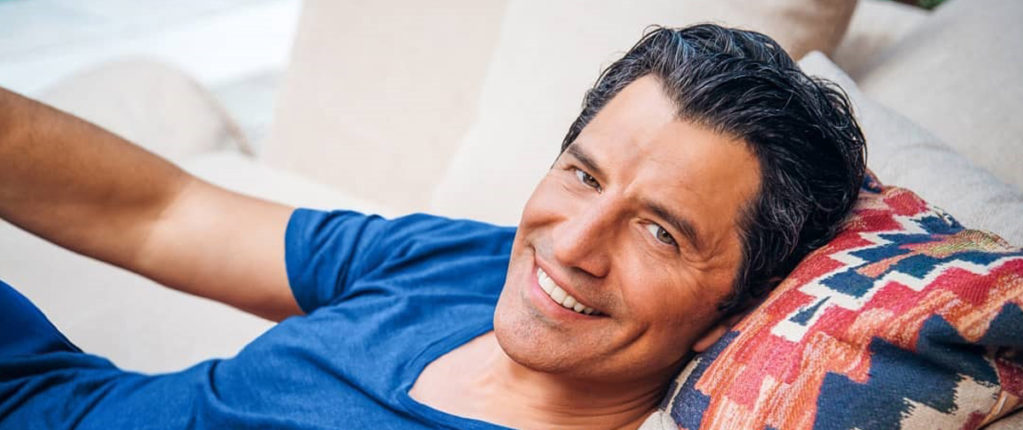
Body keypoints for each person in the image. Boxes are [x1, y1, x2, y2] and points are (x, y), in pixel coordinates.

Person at [0, 24, 865, 429]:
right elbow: (163, 213)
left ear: (735, 306)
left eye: (660, 232)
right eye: (583, 174)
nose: (570, 245)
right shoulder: (469, 262)